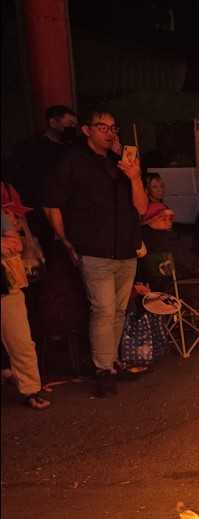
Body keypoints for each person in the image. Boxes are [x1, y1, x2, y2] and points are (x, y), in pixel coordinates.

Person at [43, 109, 148, 398]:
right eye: (103, 127)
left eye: (114, 127)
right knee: (102, 309)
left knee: (117, 311)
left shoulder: (122, 165)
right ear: (87, 130)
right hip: (93, 249)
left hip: (126, 248)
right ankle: (104, 372)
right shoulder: (72, 163)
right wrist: (65, 240)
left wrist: (136, 178)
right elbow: (52, 205)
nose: (110, 132)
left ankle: (110, 362)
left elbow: (141, 208)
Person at [2, 192, 48, 409]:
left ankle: (31, 389)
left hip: (6, 285)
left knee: (21, 341)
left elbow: (16, 245)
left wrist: (6, 240)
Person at [9, 104, 77, 238]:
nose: (72, 128)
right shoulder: (31, 147)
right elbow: (24, 180)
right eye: (69, 124)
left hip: (70, 210)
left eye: (74, 125)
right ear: (53, 122)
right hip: (40, 209)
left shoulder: (74, 148)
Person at [139, 202, 199, 279]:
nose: (169, 223)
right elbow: (189, 261)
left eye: (170, 219)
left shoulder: (142, 239)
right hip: (176, 284)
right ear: (149, 221)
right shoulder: (165, 239)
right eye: (163, 219)